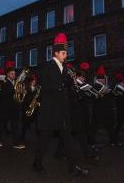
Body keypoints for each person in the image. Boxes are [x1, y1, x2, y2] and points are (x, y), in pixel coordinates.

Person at [33, 33, 89, 175]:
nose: (66, 55)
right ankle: (36, 163)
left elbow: (68, 87)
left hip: (63, 111)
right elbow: (43, 84)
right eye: (63, 53)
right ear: (56, 53)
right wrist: (63, 84)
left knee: (68, 139)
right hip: (50, 111)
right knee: (44, 140)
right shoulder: (48, 66)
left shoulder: (65, 68)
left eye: (66, 53)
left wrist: (75, 84)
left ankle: (73, 167)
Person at [0, 62, 25, 149]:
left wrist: (21, 91)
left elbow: (19, 94)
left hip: (14, 107)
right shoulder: (4, 82)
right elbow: (5, 93)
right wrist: (15, 90)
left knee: (15, 125)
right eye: (12, 74)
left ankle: (16, 143)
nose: (14, 75)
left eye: (14, 74)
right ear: (7, 74)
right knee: (1, 124)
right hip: (5, 107)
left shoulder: (16, 82)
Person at [91, 66, 116, 146]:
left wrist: (111, 93)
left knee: (109, 126)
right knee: (95, 127)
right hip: (98, 109)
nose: (104, 80)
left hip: (106, 109)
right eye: (103, 79)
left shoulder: (104, 87)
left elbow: (109, 96)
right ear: (99, 80)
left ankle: (113, 140)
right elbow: (93, 98)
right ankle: (91, 141)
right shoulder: (95, 87)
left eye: (104, 79)